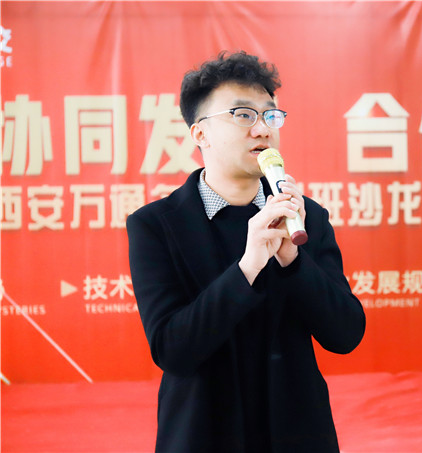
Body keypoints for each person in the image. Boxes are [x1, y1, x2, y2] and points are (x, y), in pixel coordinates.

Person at [126, 50, 366, 453]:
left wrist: (293, 262)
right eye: (242, 115)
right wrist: (247, 267)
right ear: (200, 134)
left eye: (270, 116)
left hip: (297, 434)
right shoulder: (155, 225)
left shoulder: (306, 217)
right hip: (203, 434)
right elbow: (173, 350)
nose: (262, 129)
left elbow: (345, 334)